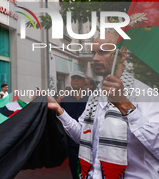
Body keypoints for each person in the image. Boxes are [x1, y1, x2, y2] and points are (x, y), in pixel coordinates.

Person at [48, 32, 159, 178]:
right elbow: (82, 135)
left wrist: (125, 105)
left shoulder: (146, 93)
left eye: (103, 52)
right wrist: (59, 110)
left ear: (122, 55)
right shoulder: (95, 95)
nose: (95, 58)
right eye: (94, 53)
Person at [60, 72, 89, 179]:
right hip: (71, 142)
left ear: (84, 82)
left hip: (88, 141)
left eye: (79, 78)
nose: (76, 80)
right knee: (74, 169)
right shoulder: (65, 100)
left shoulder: (91, 99)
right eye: (74, 78)